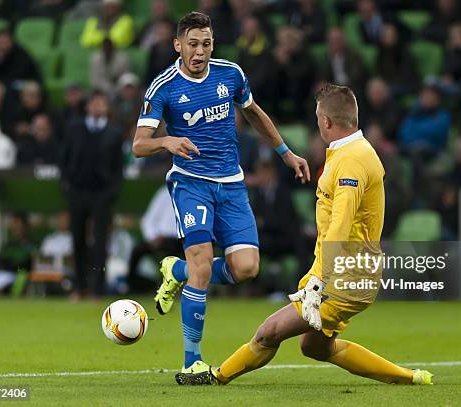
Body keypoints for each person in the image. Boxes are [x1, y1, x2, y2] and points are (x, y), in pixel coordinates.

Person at [174, 83, 433, 386]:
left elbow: (341, 225)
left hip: (343, 276)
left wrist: (318, 282)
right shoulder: (352, 152)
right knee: (314, 347)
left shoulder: (352, 161)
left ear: (325, 121)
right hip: (343, 270)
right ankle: (409, 378)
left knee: (269, 332)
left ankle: (217, 376)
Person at [131, 12, 310, 380]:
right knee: (202, 263)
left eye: (207, 44)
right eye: (193, 44)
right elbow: (138, 146)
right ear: (177, 45)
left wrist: (286, 153)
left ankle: (175, 270)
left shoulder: (231, 74)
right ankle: (191, 360)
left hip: (231, 184)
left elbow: (255, 114)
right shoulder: (162, 86)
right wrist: (166, 139)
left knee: (247, 269)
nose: (200, 52)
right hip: (190, 183)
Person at [60, 91, 123, 299]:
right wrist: (66, 186)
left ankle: (98, 288)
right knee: (77, 239)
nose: (97, 107)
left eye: (101, 103)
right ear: (88, 107)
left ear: (106, 107)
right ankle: (79, 287)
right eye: (94, 103)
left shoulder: (114, 133)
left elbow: (118, 168)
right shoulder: (74, 128)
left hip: (101, 194)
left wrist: (111, 193)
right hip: (77, 192)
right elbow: (64, 158)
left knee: (100, 243)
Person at [127, 186, 182, 292]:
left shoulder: (191, 193)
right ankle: (132, 286)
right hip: (157, 237)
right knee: (137, 250)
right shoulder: (163, 193)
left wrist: (169, 235)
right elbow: (148, 219)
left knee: (172, 249)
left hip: (178, 238)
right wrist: (152, 237)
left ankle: (168, 289)